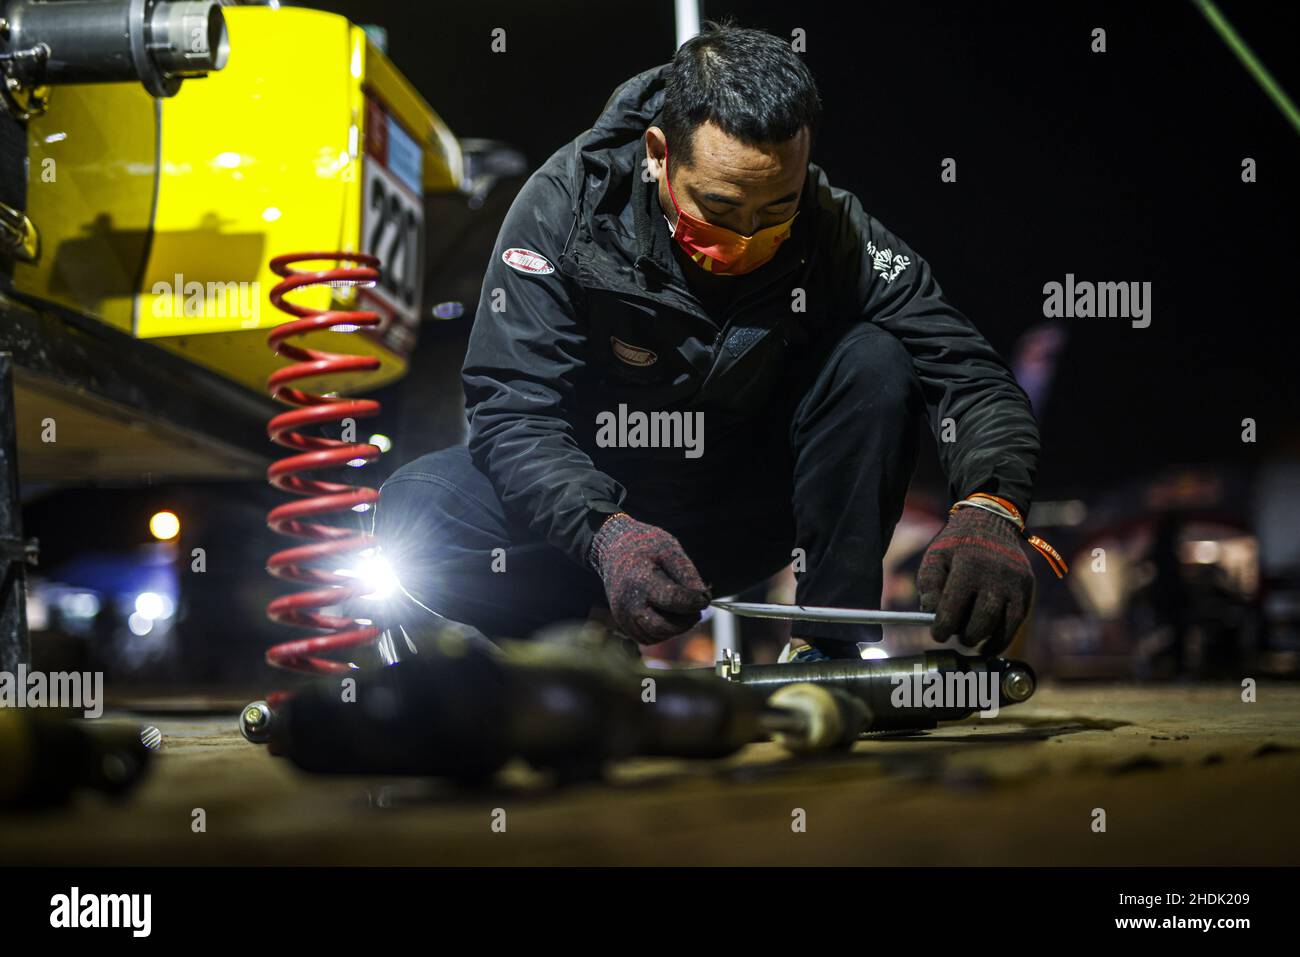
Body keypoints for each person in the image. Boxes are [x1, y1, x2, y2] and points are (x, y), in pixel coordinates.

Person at [377, 20, 1046, 662]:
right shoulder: (564, 209)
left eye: (775, 210)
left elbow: (968, 372)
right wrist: (604, 534)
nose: (747, 241)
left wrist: (991, 505)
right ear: (659, 154)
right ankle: (571, 643)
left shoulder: (834, 228)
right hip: (592, 520)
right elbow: (512, 412)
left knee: (876, 359)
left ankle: (826, 644)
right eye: (721, 210)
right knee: (419, 506)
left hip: (742, 513)